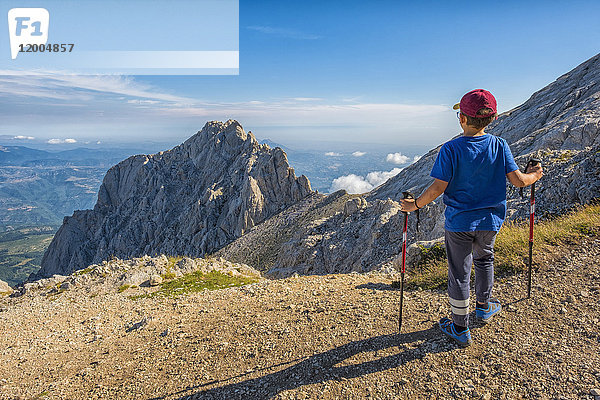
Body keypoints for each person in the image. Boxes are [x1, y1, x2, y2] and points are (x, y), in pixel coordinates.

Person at [400, 89, 543, 346]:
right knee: (485, 260)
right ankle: (483, 307)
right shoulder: (500, 145)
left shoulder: (451, 148)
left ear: (462, 119)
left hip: (459, 223)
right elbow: (519, 181)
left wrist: (415, 206)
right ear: (494, 117)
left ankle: (459, 326)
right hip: (490, 221)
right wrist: (535, 176)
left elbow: (437, 188)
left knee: (459, 271)